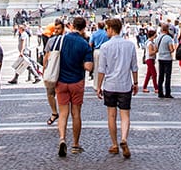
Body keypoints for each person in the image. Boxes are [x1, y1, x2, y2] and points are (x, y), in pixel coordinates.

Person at [94, 17, 138, 158]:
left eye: (107, 28)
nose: (106, 31)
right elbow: (134, 67)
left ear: (112, 29)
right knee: (125, 115)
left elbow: (101, 69)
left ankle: (114, 144)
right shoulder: (130, 45)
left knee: (111, 115)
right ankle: (124, 139)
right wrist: (136, 83)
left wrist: (98, 86)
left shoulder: (105, 47)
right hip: (125, 85)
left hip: (110, 85)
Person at [55, 16, 95, 157]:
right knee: (76, 113)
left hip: (61, 82)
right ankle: (76, 144)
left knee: (63, 113)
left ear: (71, 26)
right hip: (77, 82)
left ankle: (62, 139)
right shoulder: (85, 44)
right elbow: (89, 67)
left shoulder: (61, 39)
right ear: (84, 27)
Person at [42, 20, 66, 126]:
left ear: (63, 29)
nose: (56, 31)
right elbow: (46, 55)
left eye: (58, 29)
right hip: (52, 69)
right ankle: (54, 112)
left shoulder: (65, 40)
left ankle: (60, 114)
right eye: (55, 29)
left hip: (62, 70)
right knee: (50, 93)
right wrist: (44, 68)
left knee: (61, 93)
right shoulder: (51, 40)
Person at [155, 24, 176, 99]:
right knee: (167, 76)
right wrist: (172, 50)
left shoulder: (157, 38)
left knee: (160, 76)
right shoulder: (168, 38)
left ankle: (160, 92)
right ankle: (167, 93)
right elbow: (171, 49)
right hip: (167, 59)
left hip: (160, 58)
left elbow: (156, 49)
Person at [141, 28, 158, 94]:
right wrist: (156, 51)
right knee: (154, 73)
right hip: (150, 59)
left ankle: (144, 87)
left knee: (149, 74)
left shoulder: (150, 42)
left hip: (150, 59)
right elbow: (151, 53)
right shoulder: (150, 43)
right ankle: (156, 88)